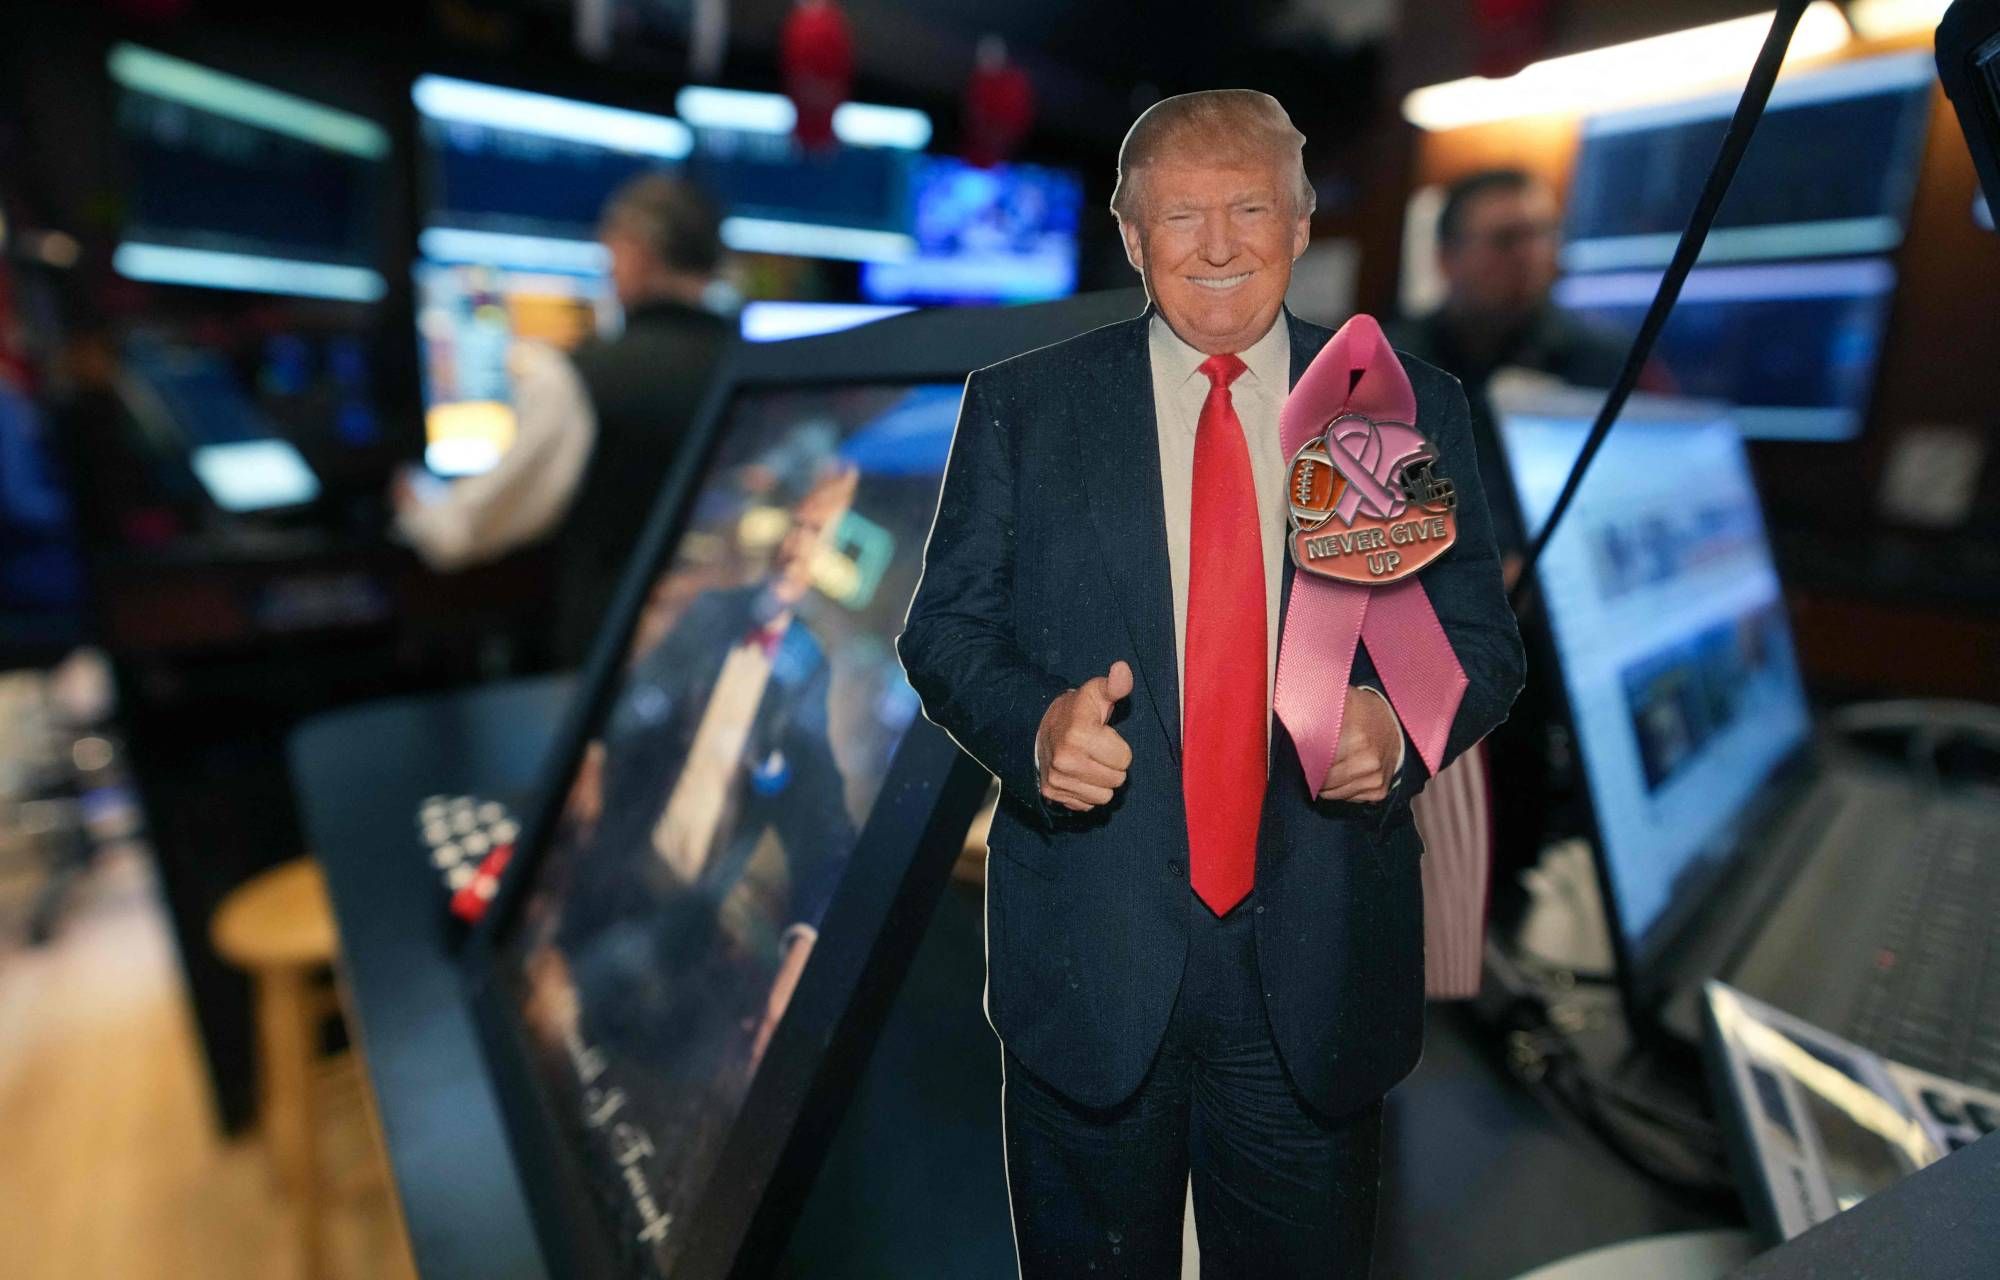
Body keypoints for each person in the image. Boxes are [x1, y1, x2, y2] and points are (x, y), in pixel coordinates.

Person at [897, 90, 1524, 1277]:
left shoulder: (1384, 403)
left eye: (1249, 208)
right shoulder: (1024, 406)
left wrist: (1395, 728)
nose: (1219, 244)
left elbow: (1478, 642)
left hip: (1319, 955)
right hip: (1090, 948)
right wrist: (1033, 727)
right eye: (1180, 215)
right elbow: (946, 631)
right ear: (1131, 238)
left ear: (1301, 223)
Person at [394, 173, 735, 664]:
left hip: (613, 665)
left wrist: (416, 504)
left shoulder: (579, 378)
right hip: (729, 652)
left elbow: (464, 530)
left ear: (635, 252)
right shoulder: (756, 367)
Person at [1387, 167, 1632, 556]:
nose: (1530, 255)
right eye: (1506, 240)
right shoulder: (1391, 362)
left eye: (1543, 234)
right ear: (1447, 259)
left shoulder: (1607, 361)